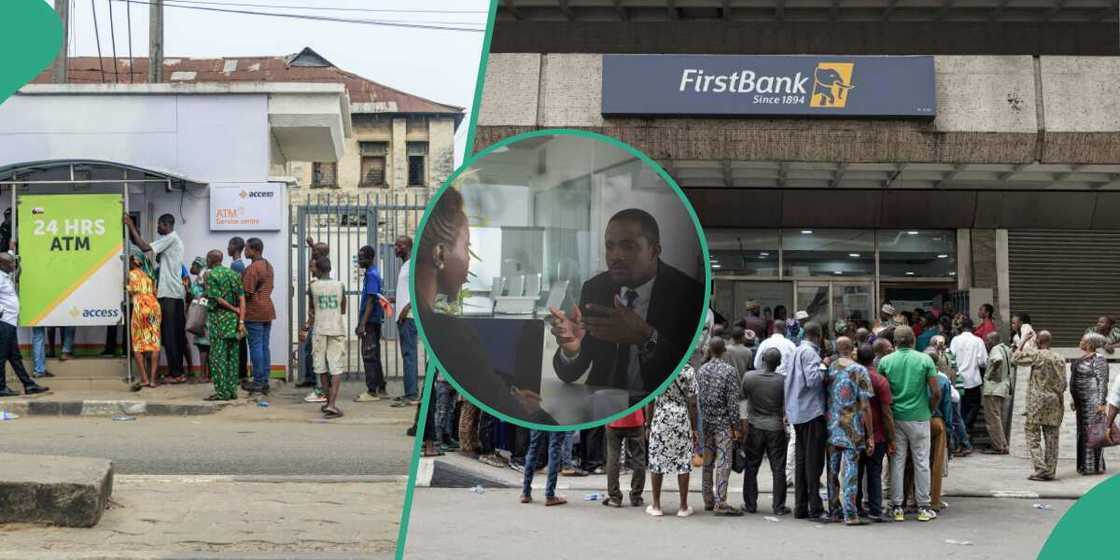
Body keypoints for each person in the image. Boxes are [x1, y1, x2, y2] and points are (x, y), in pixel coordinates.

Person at [413, 188, 548, 422]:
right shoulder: (450, 333)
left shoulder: (431, 322)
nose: (468, 261)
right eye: (466, 247)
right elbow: (502, 404)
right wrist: (529, 408)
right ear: (440, 253)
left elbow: (487, 387)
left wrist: (507, 395)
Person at [548, 208, 704, 396]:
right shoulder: (595, 289)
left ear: (654, 251)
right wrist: (572, 350)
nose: (616, 256)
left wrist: (646, 337)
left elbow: (689, 374)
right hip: (602, 406)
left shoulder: (688, 294)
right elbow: (569, 374)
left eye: (628, 246)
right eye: (610, 246)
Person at [878, 325, 940, 522]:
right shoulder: (925, 360)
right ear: (913, 340)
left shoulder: (885, 361)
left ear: (894, 343)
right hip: (920, 418)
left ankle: (897, 507)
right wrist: (929, 409)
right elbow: (936, 391)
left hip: (896, 419)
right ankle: (923, 506)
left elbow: (882, 393)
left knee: (897, 462)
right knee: (922, 462)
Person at [125, 213, 187, 384]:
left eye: (159, 225)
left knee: (169, 336)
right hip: (174, 294)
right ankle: (176, 372)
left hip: (169, 294)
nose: (158, 228)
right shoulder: (175, 241)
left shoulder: (171, 238)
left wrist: (130, 226)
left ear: (166, 225)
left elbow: (144, 247)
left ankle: (176, 374)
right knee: (173, 336)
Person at [824, 337, 875, 526]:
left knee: (832, 470)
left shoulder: (830, 368)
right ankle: (850, 513)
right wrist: (870, 435)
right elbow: (865, 406)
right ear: (852, 348)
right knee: (851, 469)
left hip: (832, 426)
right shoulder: (859, 370)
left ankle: (834, 510)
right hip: (852, 428)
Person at [646, 344, 701, 517]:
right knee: (683, 462)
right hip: (681, 418)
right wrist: (693, 428)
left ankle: (656, 506)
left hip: (661, 418)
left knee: (657, 460)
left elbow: (650, 401)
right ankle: (683, 507)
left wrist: (648, 423)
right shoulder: (688, 371)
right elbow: (693, 402)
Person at [785, 321, 828, 522]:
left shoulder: (796, 350)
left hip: (797, 411)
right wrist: (824, 365)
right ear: (818, 335)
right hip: (811, 412)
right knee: (813, 461)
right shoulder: (811, 353)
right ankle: (815, 507)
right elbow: (813, 380)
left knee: (802, 461)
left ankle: (801, 506)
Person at [1013, 331, 1067, 481]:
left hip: (1037, 402)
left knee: (1032, 434)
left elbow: (1015, 358)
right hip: (1055, 401)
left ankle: (1041, 468)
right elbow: (1064, 384)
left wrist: (1023, 340)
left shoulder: (1036, 355)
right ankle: (1050, 471)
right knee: (1052, 438)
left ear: (1037, 340)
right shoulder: (1059, 358)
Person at [740, 348, 789, 515]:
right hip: (775, 427)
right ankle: (779, 507)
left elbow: (743, 398)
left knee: (752, 466)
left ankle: (750, 504)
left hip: (755, 426)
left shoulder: (749, 377)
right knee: (778, 467)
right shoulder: (783, 381)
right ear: (779, 363)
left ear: (762, 359)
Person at [697, 337, 742, 516]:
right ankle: (720, 501)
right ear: (724, 351)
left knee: (708, 462)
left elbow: (699, 399)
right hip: (723, 424)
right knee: (724, 462)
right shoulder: (729, 371)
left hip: (707, 423)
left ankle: (707, 499)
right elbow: (732, 403)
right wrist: (736, 426)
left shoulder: (701, 370)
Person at [855, 344, 894, 523]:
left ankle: (856, 507)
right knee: (874, 471)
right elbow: (886, 412)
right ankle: (875, 509)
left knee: (855, 471)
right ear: (874, 358)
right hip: (876, 434)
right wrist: (891, 438)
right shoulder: (880, 380)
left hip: (854, 432)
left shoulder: (850, 376)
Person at [0, 253, 48, 397]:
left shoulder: (5, 276)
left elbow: (16, 268)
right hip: (4, 322)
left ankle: (29, 385)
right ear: (2, 264)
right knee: (1, 356)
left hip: (10, 322)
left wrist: (13, 251)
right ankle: (1, 388)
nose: (13, 266)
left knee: (15, 356)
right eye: (11, 264)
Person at [308, 256, 347, 419]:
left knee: (321, 367)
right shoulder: (339, 285)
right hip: (336, 329)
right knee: (336, 367)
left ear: (317, 269)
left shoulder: (313, 286)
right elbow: (343, 308)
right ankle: (332, 404)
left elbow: (312, 309)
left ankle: (327, 402)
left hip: (319, 330)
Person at [203, 250, 244, 402]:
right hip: (233, 322)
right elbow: (242, 299)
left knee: (217, 358)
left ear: (211, 260)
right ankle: (232, 391)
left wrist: (233, 309)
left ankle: (222, 392)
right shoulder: (234, 274)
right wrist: (241, 319)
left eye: (207, 258)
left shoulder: (211, 275)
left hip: (219, 321)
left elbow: (217, 298)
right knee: (232, 357)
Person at [1068, 332, 1109, 476]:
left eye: (1082, 340)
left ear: (1090, 344)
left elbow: (1102, 382)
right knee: (1082, 434)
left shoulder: (1099, 359)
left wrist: (1101, 403)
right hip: (1081, 402)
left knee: (1093, 434)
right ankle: (1084, 465)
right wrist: (1074, 399)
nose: (1080, 342)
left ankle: (1094, 466)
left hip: (1092, 401)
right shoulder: (1083, 358)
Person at [240, 238, 275, 395]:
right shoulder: (268, 265)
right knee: (264, 346)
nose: (244, 251)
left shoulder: (253, 268)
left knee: (255, 346)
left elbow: (247, 292)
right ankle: (264, 380)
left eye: (246, 249)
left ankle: (258, 381)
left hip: (254, 311)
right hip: (267, 309)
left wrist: (238, 307)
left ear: (254, 250)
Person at [354, 245, 388, 403]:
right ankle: (381, 387)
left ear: (370, 258)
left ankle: (372, 391)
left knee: (368, 354)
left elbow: (371, 300)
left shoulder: (372, 275)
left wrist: (362, 323)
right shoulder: (370, 273)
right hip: (372, 320)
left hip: (370, 321)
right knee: (373, 354)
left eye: (362, 257)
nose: (360, 260)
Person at [127, 249, 162, 390]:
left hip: (140, 309)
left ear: (134, 261)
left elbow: (131, 290)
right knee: (155, 343)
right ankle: (153, 380)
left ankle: (144, 378)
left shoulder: (132, 274)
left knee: (138, 344)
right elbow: (155, 292)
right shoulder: (150, 275)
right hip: (154, 307)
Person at [601, 407, 648, 508]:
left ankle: (614, 497)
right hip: (635, 419)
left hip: (613, 419)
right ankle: (636, 496)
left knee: (613, 458)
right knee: (639, 458)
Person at [949, 318, 987, 434]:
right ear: (973, 328)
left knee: (961, 407)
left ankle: (962, 429)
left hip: (958, 380)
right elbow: (983, 362)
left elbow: (951, 359)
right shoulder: (978, 341)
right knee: (974, 405)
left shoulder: (955, 340)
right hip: (973, 380)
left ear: (961, 328)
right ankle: (966, 427)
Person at [393, 236, 419, 403]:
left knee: (409, 355)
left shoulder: (413, 265)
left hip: (409, 318)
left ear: (408, 247)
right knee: (407, 355)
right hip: (403, 316)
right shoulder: (405, 266)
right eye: (395, 245)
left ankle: (411, 395)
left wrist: (406, 308)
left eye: (399, 245)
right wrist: (394, 299)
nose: (395, 247)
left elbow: (419, 290)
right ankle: (409, 391)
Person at [981, 331, 1013, 455]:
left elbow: (997, 360)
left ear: (992, 340)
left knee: (992, 419)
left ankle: (998, 446)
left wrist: (990, 375)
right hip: (1002, 388)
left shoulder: (995, 349)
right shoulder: (1005, 348)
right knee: (997, 418)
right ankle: (1003, 444)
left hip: (993, 389)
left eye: (987, 341)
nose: (986, 343)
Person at [519, 430, 568, 507]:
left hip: (539, 418)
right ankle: (550, 495)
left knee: (533, 448)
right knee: (554, 449)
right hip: (558, 419)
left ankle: (526, 493)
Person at [227, 237, 249, 383]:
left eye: (229, 245)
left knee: (239, 342)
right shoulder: (237, 265)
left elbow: (237, 290)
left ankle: (240, 374)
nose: (227, 248)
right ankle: (241, 373)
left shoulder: (237, 266)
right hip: (238, 308)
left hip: (237, 308)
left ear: (234, 247)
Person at [187, 257, 211, 384]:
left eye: (193, 265)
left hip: (202, 314)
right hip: (203, 314)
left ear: (198, 265)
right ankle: (208, 374)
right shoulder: (203, 275)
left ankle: (203, 374)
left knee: (203, 346)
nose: (191, 267)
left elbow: (208, 291)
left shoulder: (204, 275)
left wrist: (200, 296)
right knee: (206, 345)